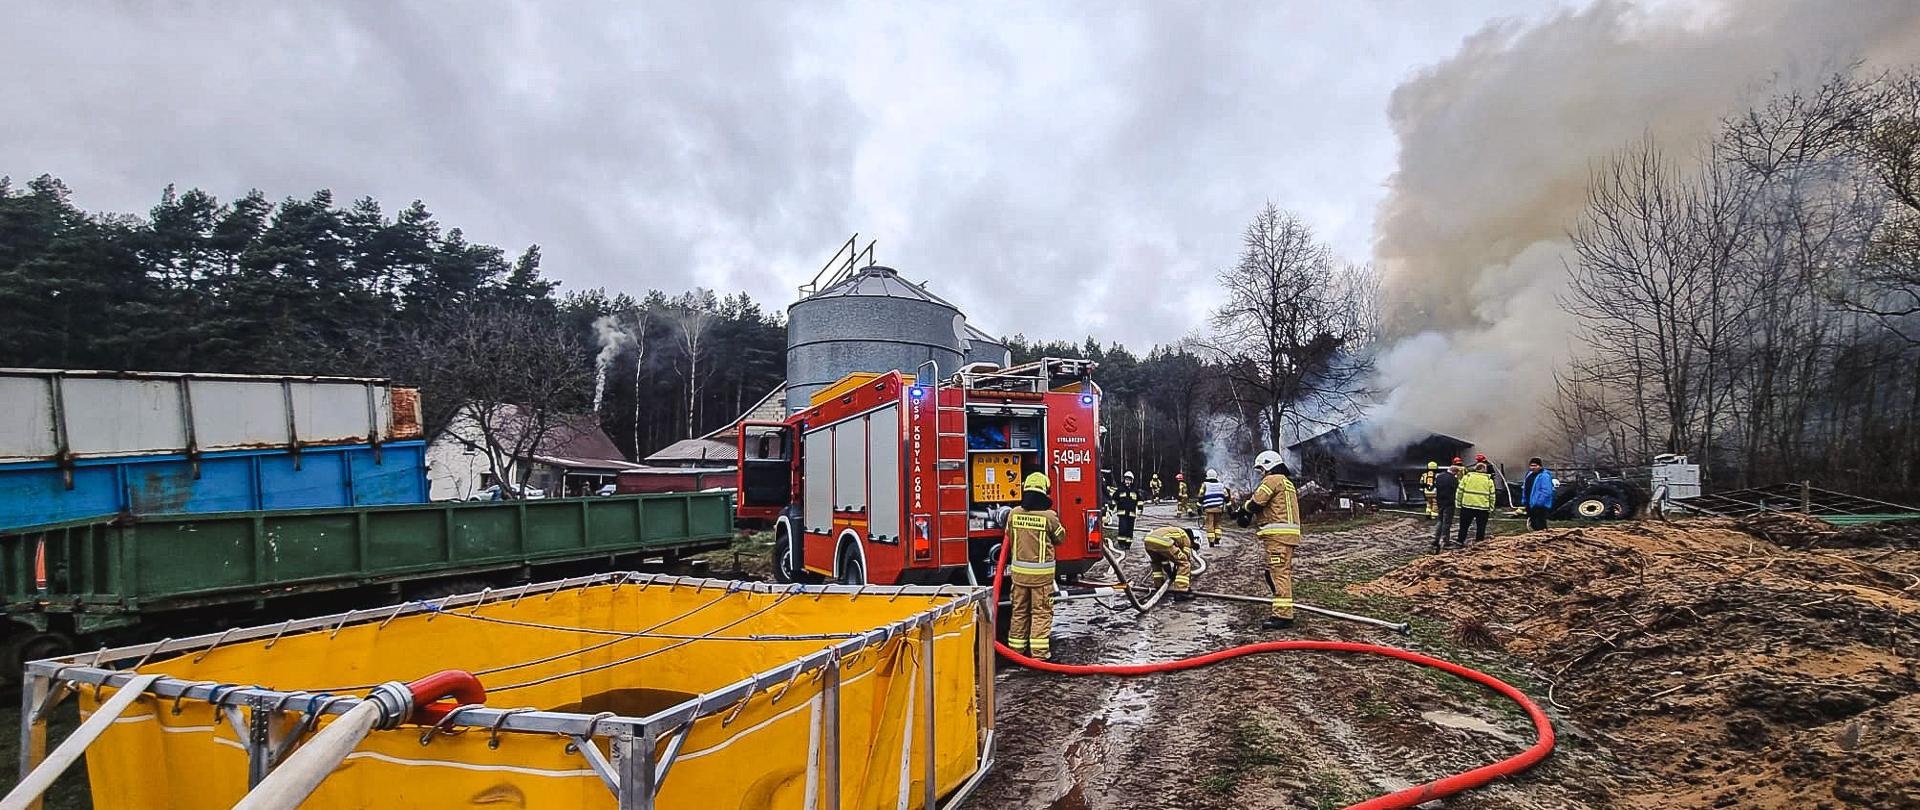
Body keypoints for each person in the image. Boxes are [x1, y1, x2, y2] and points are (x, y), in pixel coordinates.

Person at [1006, 472, 1066, 660]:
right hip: (1041, 579)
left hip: (1018, 577)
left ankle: (1016, 651)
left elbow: (1009, 535)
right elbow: (1061, 538)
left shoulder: (1013, 513)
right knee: (1041, 613)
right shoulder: (1049, 517)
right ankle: (1039, 655)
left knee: (1019, 612)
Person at [1245, 451, 1302, 629]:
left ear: (1268, 465)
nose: (1261, 473)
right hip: (1288, 536)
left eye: (1261, 469)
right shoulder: (1287, 482)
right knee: (1277, 572)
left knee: (1279, 574)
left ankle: (1282, 616)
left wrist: (1243, 510)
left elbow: (1257, 502)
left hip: (1278, 536)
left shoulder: (1272, 480)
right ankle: (1283, 609)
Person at [1142, 525, 1196, 601]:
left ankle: (1158, 585)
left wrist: (1170, 573)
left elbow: (1165, 562)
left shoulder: (1175, 532)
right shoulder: (1186, 538)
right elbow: (1184, 559)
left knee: (1156, 562)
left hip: (1148, 541)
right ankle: (1181, 592)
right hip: (1164, 541)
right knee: (1185, 563)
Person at [1455, 462, 1497, 547]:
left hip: (1467, 506)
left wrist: (1458, 504)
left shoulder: (1467, 478)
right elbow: (1492, 496)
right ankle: (1479, 543)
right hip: (1483, 508)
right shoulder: (1489, 480)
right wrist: (1491, 507)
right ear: (1485, 470)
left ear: (1475, 469)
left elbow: (1459, 491)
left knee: (1463, 526)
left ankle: (1460, 541)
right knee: (1481, 527)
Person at [1432, 463, 1459, 551]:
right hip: (1449, 503)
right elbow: (1455, 490)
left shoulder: (1439, 477)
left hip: (1440, 501)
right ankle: (1445, 540)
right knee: (1446, 522)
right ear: (1454, 472)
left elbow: (1436, 488)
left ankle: (1436, 539)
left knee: (1439, 520)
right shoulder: (1453, 479)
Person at [1523, 457, 1556, 531]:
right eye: (1531, 465)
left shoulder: (1544, 476)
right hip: (1530, 503)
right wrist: (1524, 500)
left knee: (1540, 524)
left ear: (1540, 466)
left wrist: (1539, 503)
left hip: (1540, 505)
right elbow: (1525, 488)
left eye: (1535, 465)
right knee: (1533, 523)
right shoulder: (1529, 475)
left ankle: (1543, 538)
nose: (1533, 467)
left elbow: (1547, 491)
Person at [1198, 469, 1229, 546]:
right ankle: (1218, 539)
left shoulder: (1205, 484)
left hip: (1209, 508)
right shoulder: (1221, 485)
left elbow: (1201, 495)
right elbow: (1226, 496)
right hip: (1219, 508)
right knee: (1217, 523)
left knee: (1210, 524)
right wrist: (1229, 506)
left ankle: (1211, 541)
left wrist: (1199, 506)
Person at [1111, 471, 1141, 549]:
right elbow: (1114, 499)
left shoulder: (1135, 490)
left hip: (1131, 514)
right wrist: (1111, 509)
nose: (1127, 481)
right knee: (1123, 529)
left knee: (1130, 530)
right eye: (1126, 479)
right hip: (1122, 513)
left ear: (1132, 481)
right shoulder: (1120, 489)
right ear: (1124, 480)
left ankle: (1128, 544)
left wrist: (1140, 509)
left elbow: (1140, 500)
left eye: (1129, 480)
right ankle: (1121, 544)